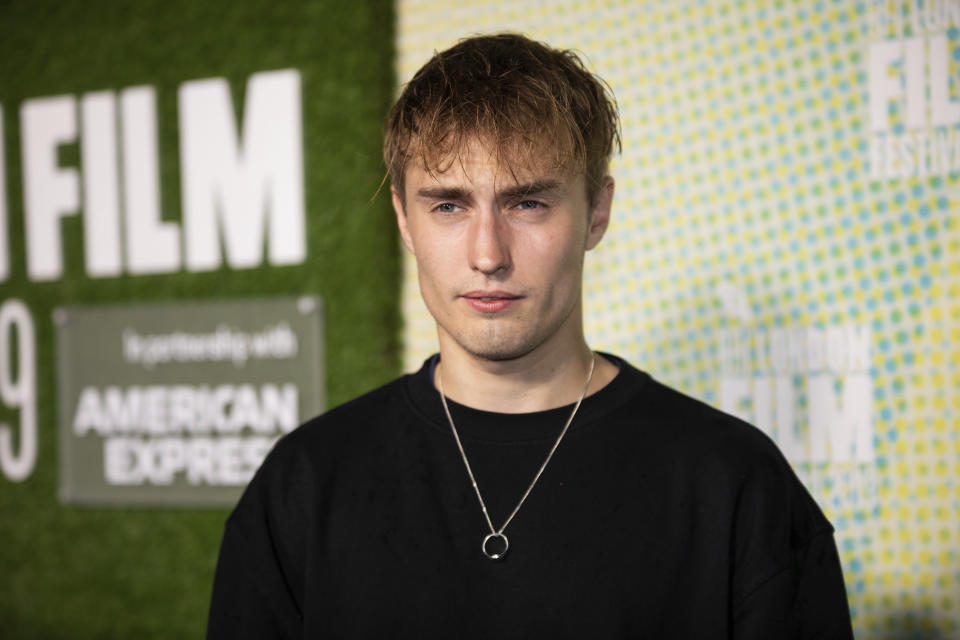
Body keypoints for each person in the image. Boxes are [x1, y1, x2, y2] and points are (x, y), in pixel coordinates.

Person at [207, 33, 853, 639]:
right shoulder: (305, 484)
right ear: (405, 218)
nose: (488, 253)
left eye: (527, 203)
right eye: (449, 205)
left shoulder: (734, 484)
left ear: (597, 212)